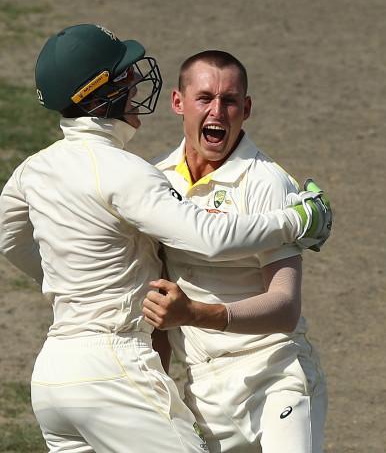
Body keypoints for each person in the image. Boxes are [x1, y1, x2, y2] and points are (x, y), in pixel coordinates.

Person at [0, 25, 332, 453]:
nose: (136, 83)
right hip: (115, 368)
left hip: (53, 376)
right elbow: (206, 237)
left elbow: (10, 240)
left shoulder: (31, 169)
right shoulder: (134, 172)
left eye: (228, 100)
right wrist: (297, 220)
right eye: (125, 77)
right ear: (102, 93)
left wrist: (72, 280)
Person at [142, 50, 329, 453]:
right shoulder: (153, 180)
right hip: (202, 390)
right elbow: (157, 304)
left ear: (246, 109)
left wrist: (194, 314)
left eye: (229, 101)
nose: (218, 111)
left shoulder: (268, 183)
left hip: (275, 375)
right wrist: (156, 392)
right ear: (178, 103)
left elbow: (285, 306)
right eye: (205, 98)